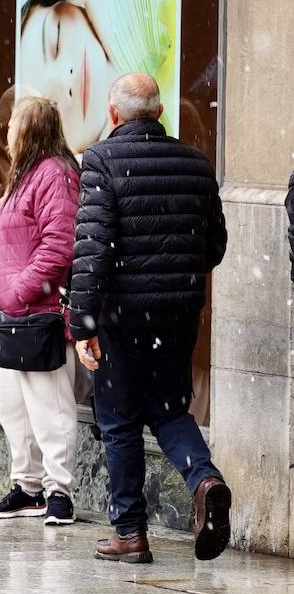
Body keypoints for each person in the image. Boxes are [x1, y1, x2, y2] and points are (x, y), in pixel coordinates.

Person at [71, 73, 231, 564]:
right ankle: (204, 480)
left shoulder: (101, 160)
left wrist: (82, 323)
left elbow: (92, 250)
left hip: (121, 316)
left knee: (118, 420)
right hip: (179, 312)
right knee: (169, 410)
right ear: (160, 113)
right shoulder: (197, 163)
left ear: (114, 114)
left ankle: (130, 532)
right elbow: (216, 246)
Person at [0, 97, 80, 525]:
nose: (6, 134)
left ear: (29, 130)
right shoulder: (21, 176)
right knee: (13, 408)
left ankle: (59, 491)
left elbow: (60, 246)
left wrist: (17, 292)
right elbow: (2, 246)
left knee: (50, 407)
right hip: (7, 315)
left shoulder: (55, 174)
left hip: (38, 315)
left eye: (14, 126)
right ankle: (27, 487)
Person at [17, 0, 178, 153]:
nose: (65, 80)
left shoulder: (147, 12)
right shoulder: (93, 173)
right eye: (52, 105)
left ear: (68, 0)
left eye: (56, 39)